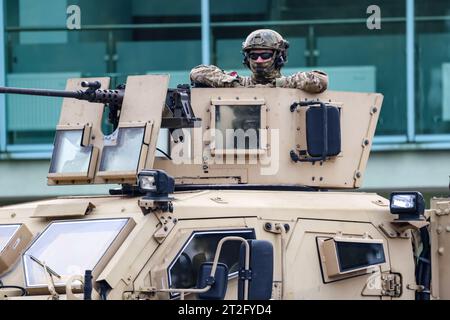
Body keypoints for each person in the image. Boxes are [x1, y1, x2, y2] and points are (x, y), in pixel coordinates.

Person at [190, 29, 328, 93]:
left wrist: (279, 84)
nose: (259, 60)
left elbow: (320, 80)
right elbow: (197, 72)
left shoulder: (291, 84)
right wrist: (233, 85)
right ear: (247, 59)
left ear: (279, 57)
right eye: (254, 56)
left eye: (265, 55)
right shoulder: (240, 84)